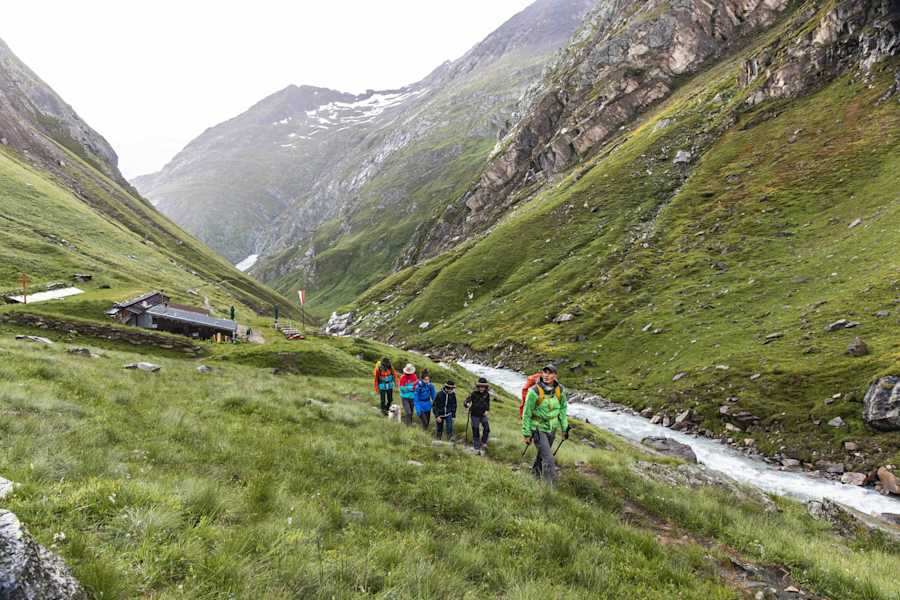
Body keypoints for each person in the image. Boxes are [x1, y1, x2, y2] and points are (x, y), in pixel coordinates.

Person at [521, 364, 569, 485]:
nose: (546, 375)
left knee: (542, 455)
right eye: (545, 372)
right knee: (549, 459)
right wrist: (526, 433)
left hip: (552, 428)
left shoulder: (560, 390)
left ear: (555, 375)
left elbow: (563, 410)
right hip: (537, 428)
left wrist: (565, 428)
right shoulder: (534, 391)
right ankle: (550, 489)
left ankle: (535, 476)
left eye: (550, 373)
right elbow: (527, 413)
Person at [464, 378, 491, 454]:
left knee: (487, 428)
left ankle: (483, 442)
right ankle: (476, 447)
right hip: (474, 415)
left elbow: (488, 403)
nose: (482, 388)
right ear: (478, 386)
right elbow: (466, 401)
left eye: (484, 387)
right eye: (480, 386)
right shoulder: (473, 394)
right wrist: (467, 404)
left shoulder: (487, 394)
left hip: (483, 414)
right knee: (475, 430)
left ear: (486, 387)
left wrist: (487, 410)